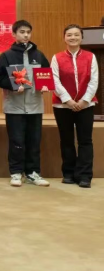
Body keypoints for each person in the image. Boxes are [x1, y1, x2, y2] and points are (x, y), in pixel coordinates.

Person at [0, 20, 51, 187]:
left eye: (28, 32)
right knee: (17, 141)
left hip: (35, 106)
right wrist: (12, 86)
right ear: (14, 34)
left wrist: (46, 85)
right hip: (14, 106)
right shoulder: (7, 55)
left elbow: (46, 75)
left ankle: (33, 173)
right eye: (22, 32)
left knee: (34, 141)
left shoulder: (39, 55)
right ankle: (16, 172)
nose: (26, 35)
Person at [51, 24, 98, 188]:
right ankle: (69, 173)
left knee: (85, 141)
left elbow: (94, 80)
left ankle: (84, 175)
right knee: (67, 140)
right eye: (69, 35)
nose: (73, 38)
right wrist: (68, 101)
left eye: (76, 35)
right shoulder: (56, 58)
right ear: (64, 38)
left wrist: (84, 101)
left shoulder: (91, 57)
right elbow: (55, 81)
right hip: (63, 106)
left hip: (86, 105)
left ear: (82, 37)